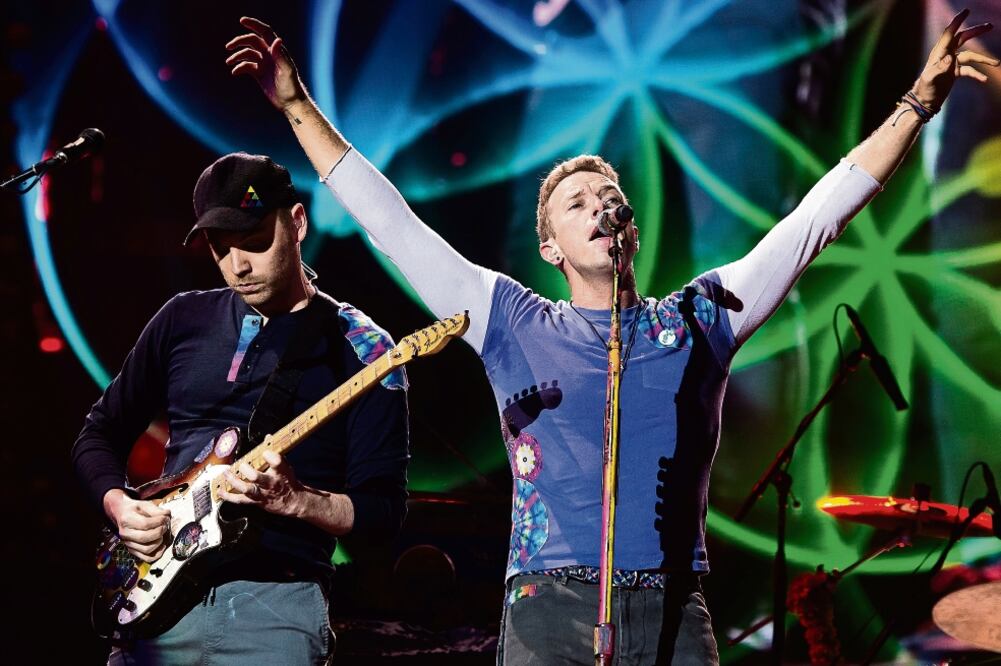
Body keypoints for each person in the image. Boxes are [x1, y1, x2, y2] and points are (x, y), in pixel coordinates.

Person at [225, 11, 996, 664]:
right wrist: (295, 105)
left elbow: (814, 222)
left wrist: (915, 106)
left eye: (610, 195)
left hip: (673, 611)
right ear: (552, 248)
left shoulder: (698, 318)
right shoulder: (511, 320)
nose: (599, 206)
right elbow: (393, 225)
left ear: (631, 225)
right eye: (576, 203)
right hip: (547, 606)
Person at [71, 151, 410, 665]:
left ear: (297, 223)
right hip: (157, 608)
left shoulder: (364, 349)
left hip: (275, 609)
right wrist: (121, 506)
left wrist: (299, 500)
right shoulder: (182, 318)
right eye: (219, 247)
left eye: (254, 242)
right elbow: (98, 435)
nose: (238, 266)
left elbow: (383, 515)